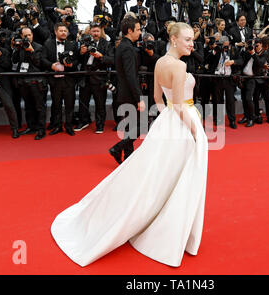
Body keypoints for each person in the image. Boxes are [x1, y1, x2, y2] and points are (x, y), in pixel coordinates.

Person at [51, 21, 208, 268]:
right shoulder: (178, 66)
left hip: (167, 121)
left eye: (193, 40)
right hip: (182, 122)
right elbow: (179, 105)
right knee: (180, 179)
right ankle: (165, 229)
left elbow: (158, 98)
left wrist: (171, 119)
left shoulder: (159, 62)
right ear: (174, 39)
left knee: (156, 175)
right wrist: (194, 131)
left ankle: (151, 216)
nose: (192, 44)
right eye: (188, 39)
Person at [108, 16, 144, 164]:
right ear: (130, 31)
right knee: (141, 127)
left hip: (124, 92)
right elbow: (130, 76)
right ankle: (117, 148)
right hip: (129, 94)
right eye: (138, 29)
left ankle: (128, 159)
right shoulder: (128, 48)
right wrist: (139, 98)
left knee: (131, 128)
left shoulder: (122, 45)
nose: (140, 33)